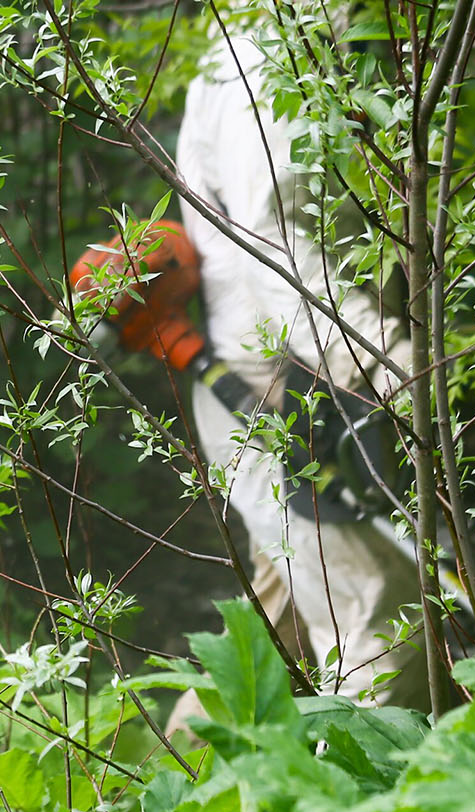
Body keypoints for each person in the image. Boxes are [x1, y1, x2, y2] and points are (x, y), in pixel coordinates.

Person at [175, 24, 429, 707]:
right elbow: (274, 242)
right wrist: (375, 355)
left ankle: (191, 786)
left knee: (275, 625)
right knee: (378, 616)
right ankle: (360, 805)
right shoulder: (265, 53)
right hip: (286, 388)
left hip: (296, 369)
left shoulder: (298, 33)